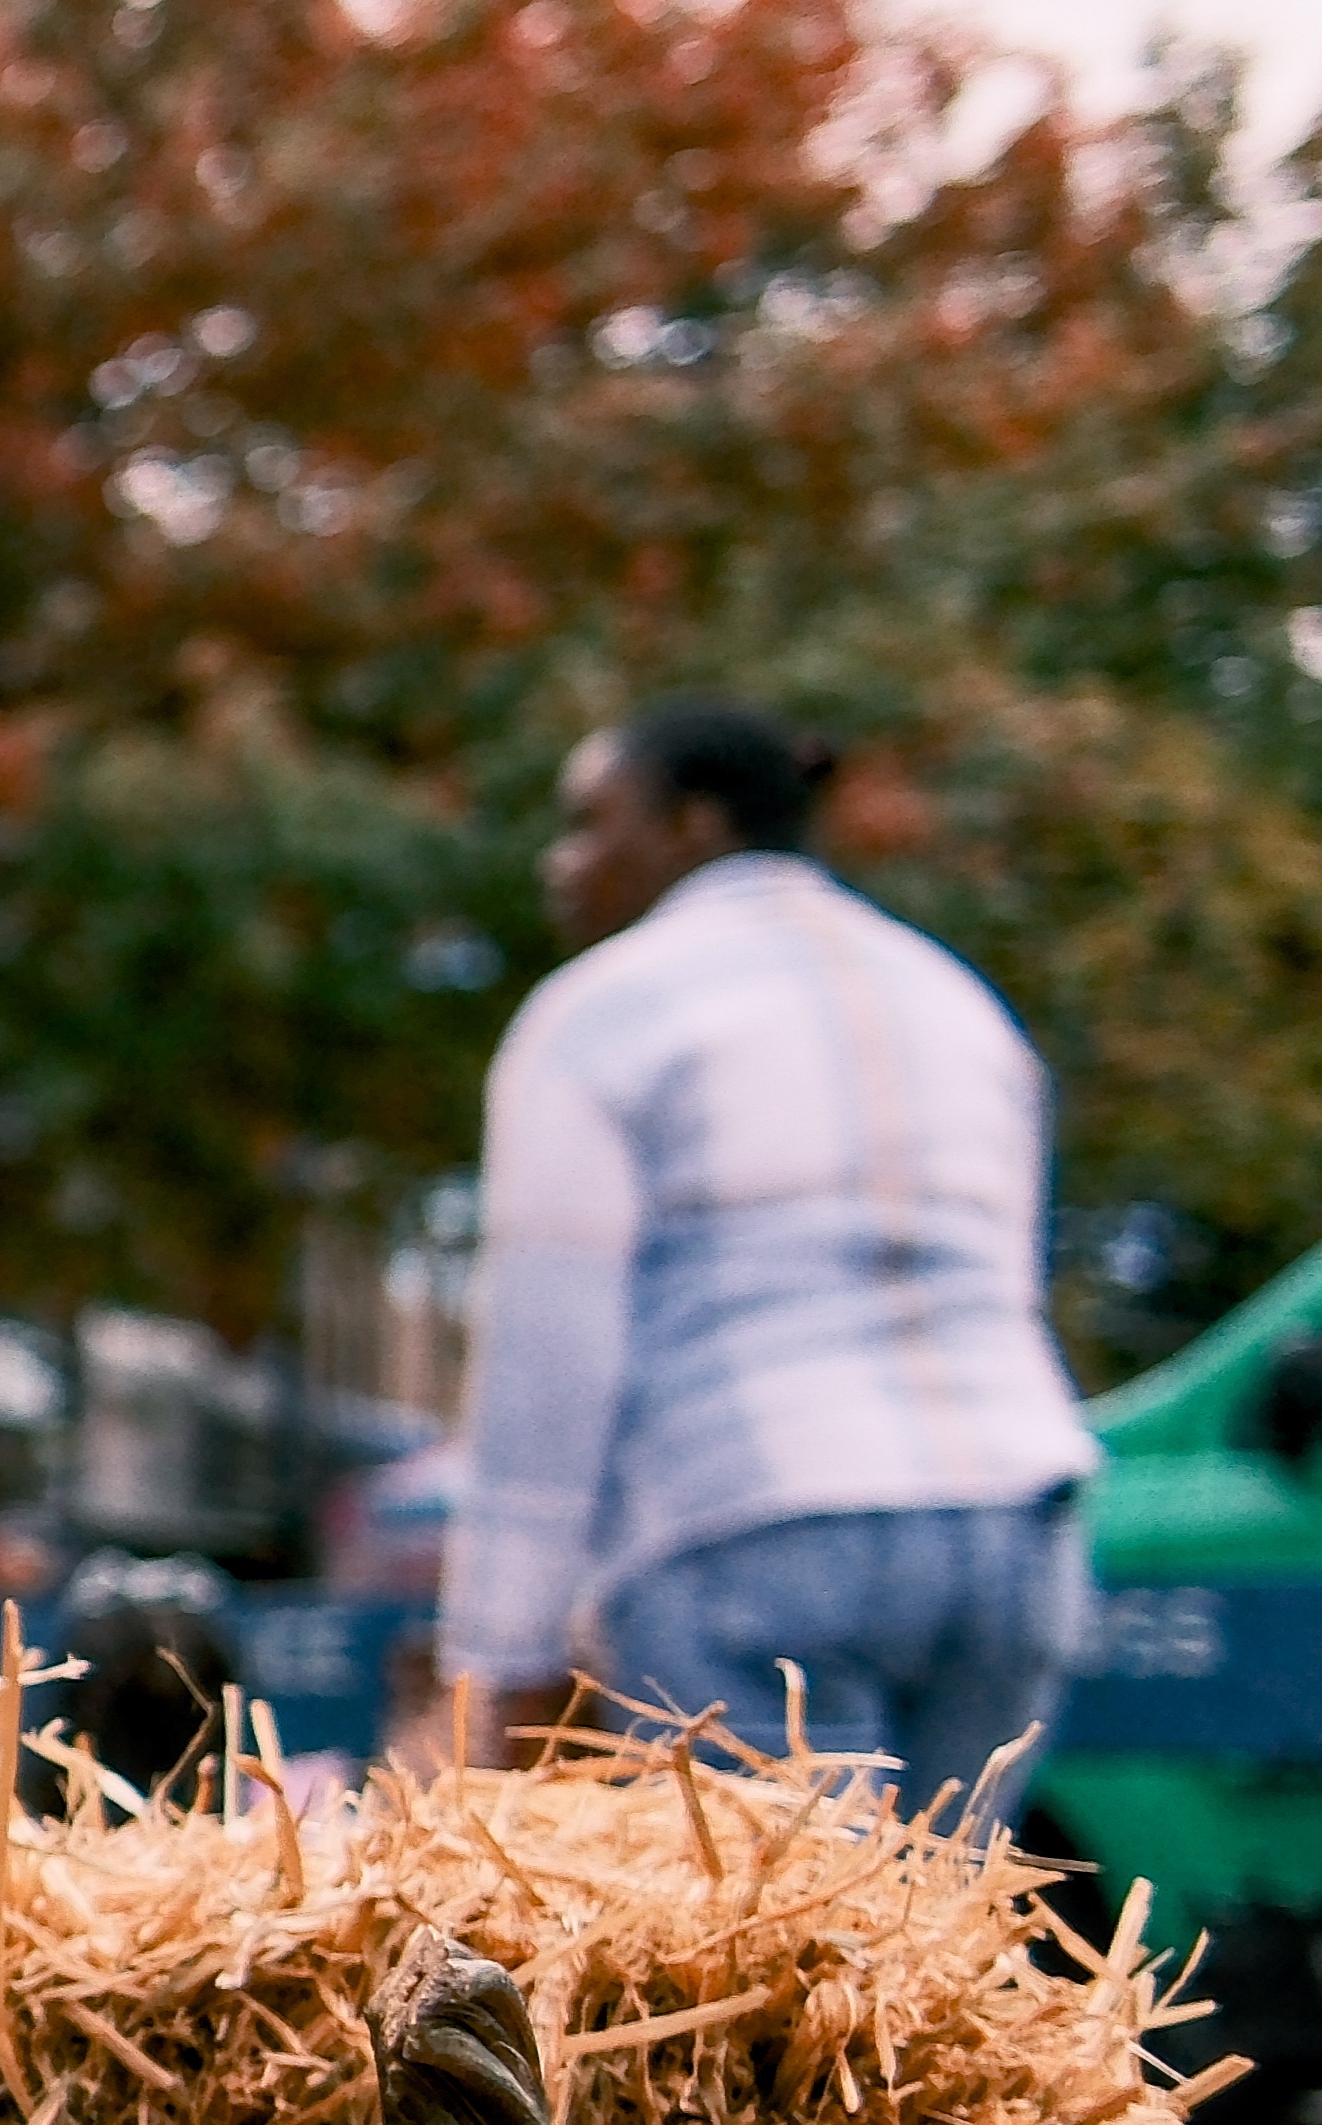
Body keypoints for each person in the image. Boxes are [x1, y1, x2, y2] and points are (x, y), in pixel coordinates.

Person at [438, 699, 1098, 1819]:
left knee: (775, 1975)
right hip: (1013, 1526)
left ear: (689, 826)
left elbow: (547, 1364)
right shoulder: (957, 998)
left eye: (590, 824)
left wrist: (501, 1660)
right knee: (928, 1964)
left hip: (752, 1527)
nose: (563, 864)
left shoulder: (600, 1013)